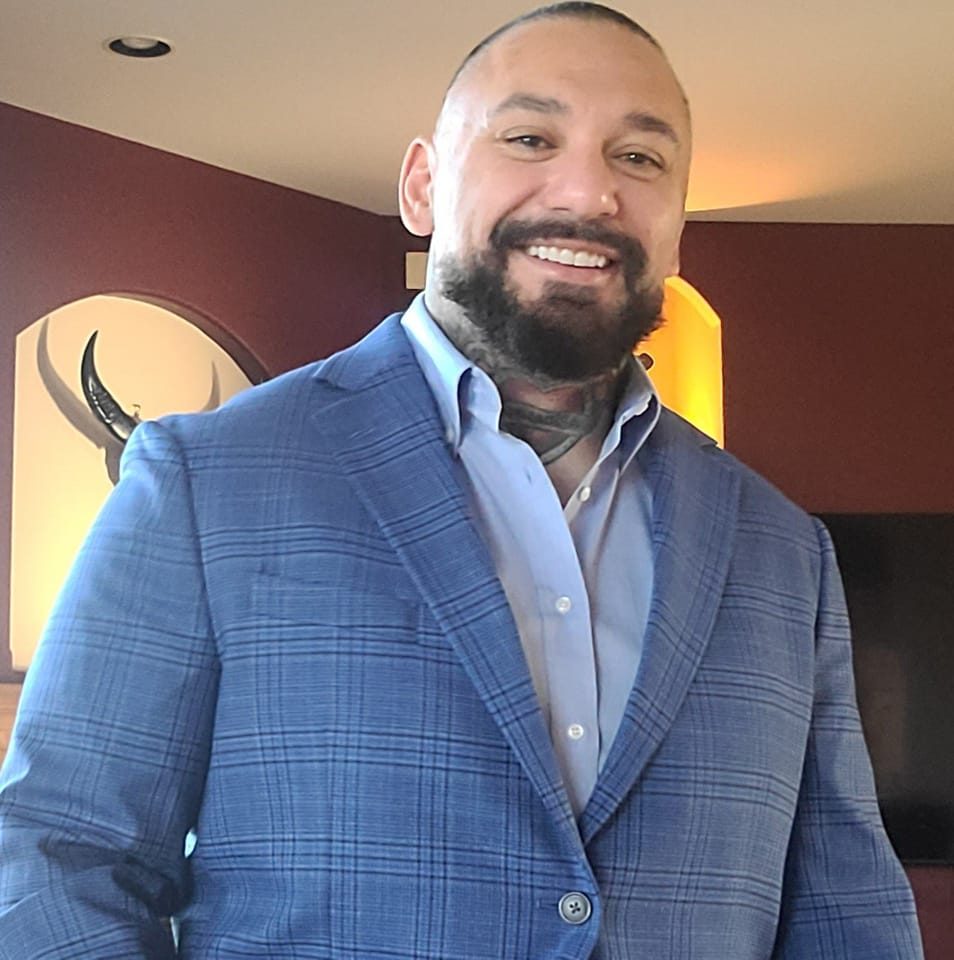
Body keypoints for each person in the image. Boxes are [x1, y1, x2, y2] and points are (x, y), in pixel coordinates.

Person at [0, 3, 924, 957]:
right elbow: (58, 861)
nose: (589, 191)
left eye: (640, 158)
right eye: (531, 136)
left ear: (678, 228)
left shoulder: (782, 551)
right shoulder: (206, 484)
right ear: (422, 186)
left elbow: (845, 911)